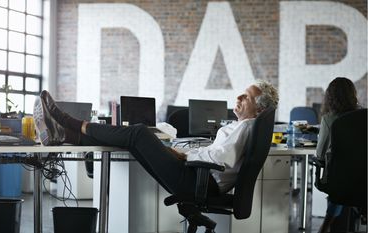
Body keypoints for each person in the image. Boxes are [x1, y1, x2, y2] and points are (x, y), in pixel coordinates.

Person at [33, 80, 278, 214]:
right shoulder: (245, 126)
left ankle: (65, 121)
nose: (239, 98)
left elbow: (218, 158)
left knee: (139, 133)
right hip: (200, 179)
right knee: (133, 142)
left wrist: (184, 155)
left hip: (198, 182)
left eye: (246, 97)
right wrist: (181, 153)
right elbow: (218, 156)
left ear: (260, 108)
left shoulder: (247, 127)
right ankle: (63, 134)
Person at [316, 77, 359, 233]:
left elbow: (320, 154)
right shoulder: (363, 117)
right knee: (348, 182)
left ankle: (326, 225)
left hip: (340, 179)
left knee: (340, 184)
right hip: (363, 176)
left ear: (330, 97)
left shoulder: (329, 119)